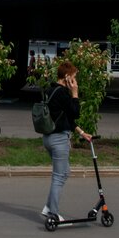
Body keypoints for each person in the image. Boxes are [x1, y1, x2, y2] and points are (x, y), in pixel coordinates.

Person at [41, 61, 92, 222]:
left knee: (64, 172)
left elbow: (66, 117)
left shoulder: (50, 90)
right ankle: (53, 213)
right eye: (74, 76)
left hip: (48, 137)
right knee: (58, 176)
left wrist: (82, 132)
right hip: (58, 139)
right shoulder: (63, 93)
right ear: (67, 77)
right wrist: (75, 93)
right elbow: (75, 113)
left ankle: (48, 206)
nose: (76, 80)